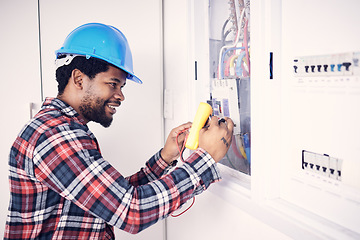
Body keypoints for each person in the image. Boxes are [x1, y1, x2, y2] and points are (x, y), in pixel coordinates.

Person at [4, 23, 234, 239]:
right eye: (113, 84)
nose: (121, 96)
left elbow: (108, 197)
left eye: (121, 87)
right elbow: (131, 210)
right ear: (79, 79)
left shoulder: (62, 129)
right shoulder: (55, 137)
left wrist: (165, 158)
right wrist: (206, 157)